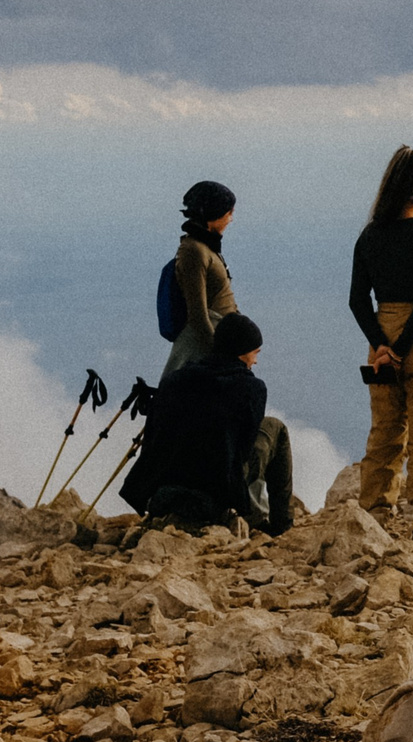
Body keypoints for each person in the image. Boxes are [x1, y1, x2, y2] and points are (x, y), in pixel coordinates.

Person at [350, 146, 413, 528]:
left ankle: (373, 513)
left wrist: (381, 346)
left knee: (385, 430)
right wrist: (401, 351)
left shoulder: (370, 236)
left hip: (382, 330)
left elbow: (356, 300)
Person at [123, 312, 294, 535]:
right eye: (255, 353)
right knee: (275, 428)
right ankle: (282, 528)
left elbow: (153, 441)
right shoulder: (251, 388)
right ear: (242, 353)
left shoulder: (175, 379)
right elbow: (243, 450)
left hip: (162, 493)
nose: (256, 361)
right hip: (214, 498)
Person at [161, 181, 238, 378]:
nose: (231, 219)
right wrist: (219, 355)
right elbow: (197, 314)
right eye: (229, 212)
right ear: (213, 214)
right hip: (202, 349)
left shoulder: (205, 247)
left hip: (217, 341)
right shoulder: (194, 251)